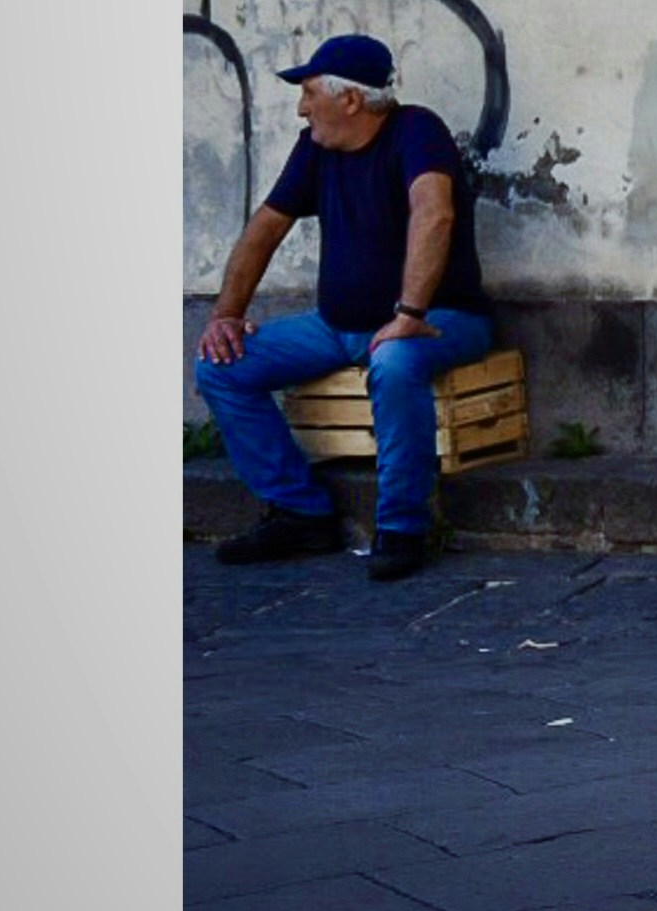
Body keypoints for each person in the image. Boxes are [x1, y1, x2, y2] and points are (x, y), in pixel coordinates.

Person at [196, 34, 495, 583]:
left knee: (396, 362)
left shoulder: (417, 131)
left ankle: (404, 526)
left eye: (310, 92)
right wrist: (225, 316)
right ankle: (300, 513)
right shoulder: (315, 147)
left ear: (351, 99)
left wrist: (408, 312)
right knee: (222, 367)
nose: (301, 107)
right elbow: (265, 229)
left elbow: (435, 215)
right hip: (337, 326)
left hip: (439, 321)